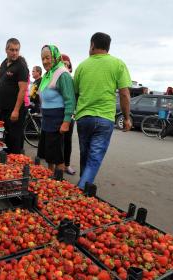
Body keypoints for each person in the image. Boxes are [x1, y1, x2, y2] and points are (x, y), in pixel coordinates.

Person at [74, 32, 132, 190]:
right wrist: (126, 118)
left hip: (84, 117)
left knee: (85, 155)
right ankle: (80, 190)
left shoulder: (82, 66)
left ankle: (84, 183)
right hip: (105, 118)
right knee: (94, 158)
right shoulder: (118, 64)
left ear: (92, 45)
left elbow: (75, 93)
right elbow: (125, 94)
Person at [37, 45, 75, 172]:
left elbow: (70, 100)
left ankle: (58, 182)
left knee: (58, 155)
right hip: (47, 120)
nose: (45, 61)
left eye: (48, 58)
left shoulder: (62, 74)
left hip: (57, 120)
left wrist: (66, 122)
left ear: (55, 57)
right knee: (49, 153)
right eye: (42, 59)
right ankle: (50, 176)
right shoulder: (48, 74)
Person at [0, 38, 29, 154]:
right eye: (12, 50)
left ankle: (16, 164)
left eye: (17, 50)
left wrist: (16, 110)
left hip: (15, 110)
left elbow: (23, 90)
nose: (14, 53)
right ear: (6, 50)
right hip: (3, 109)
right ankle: (6, 164)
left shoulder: (21, 66)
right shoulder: (4, 63)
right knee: (4, 138)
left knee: (15, 140)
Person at [61, 53, 76, 175]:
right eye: (63, 64)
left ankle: (67, 164)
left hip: (70, 115)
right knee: (58, 140)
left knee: (67, 141)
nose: (65, 66)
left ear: (70, 67)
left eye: (67, 64)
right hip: (58, 114)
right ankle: (58, 164)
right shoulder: (57, 78)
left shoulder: (72, 80)